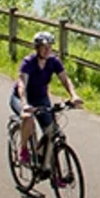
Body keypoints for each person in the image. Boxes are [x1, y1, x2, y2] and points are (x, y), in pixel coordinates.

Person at [13, 30, 82, 165]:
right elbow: (22, 85)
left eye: (49, 47)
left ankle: (47, 166)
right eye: (44, 47)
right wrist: (25, 104)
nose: (47, 50)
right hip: (22, 97)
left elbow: (65, 80)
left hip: (41, 97)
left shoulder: (53, 61)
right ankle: (24, 150)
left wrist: (74, 95)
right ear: (37, 48)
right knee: (28, 118)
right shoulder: (28, 62)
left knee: (52, 131)